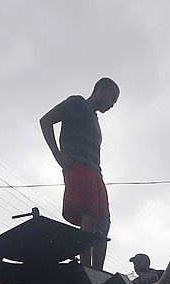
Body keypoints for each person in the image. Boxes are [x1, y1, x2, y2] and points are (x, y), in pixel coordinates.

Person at [40, 78, 120, 269]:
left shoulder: (94, 118)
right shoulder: (77, 103)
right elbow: (45, 121)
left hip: (96, 171)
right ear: (102, 90)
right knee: (89, 215)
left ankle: (98, 270)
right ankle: (86, 267)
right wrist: (57, 154)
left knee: (104, 220)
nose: (112, 105)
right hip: (78, 166)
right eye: (112, 99)